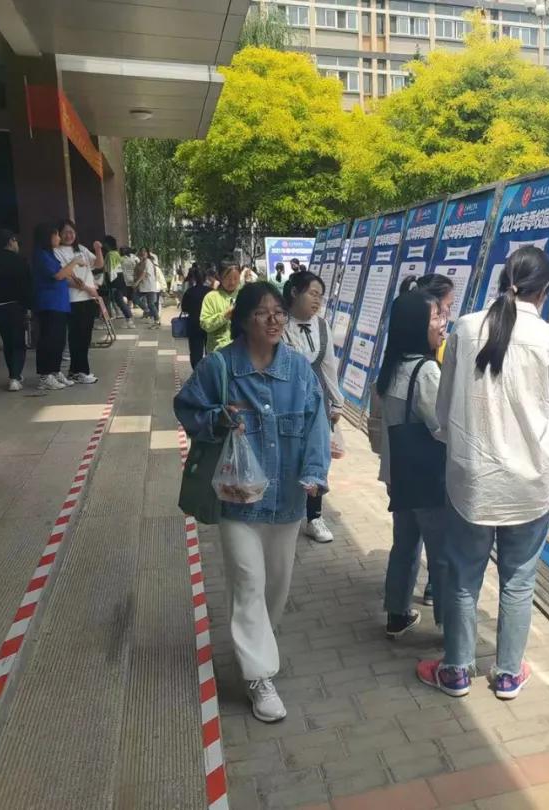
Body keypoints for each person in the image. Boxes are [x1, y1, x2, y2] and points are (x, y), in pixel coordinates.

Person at [417, 247, 549, 701]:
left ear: (504, 279)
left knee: (463, 576)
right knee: (519, 581)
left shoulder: (464, 329)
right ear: (545, 290)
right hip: (530, 481)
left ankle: (456, 671)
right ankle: (507, 675)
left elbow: (445, 404)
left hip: (473, 479)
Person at [174, 281, 330, 723]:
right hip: (237, 501)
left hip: (286, 500)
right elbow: (186, 407)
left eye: (279, 311)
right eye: (263, 313)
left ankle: (260, 640)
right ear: (243, 320)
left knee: (276, 585)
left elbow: (317, 423)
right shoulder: (220, 368)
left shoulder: (298, 370)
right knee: (247, 582)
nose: (274, 320)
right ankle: (259, 677)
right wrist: (216, 419)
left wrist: (315, 473)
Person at [375, 290, 448, 639]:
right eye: (436, 316)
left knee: (404, 546)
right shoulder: (426, 371)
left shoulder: (392, 367)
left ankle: (397, 613)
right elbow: (441, 428)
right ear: (417, 325)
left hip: (400, 475)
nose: (443, 323)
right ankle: (450, 628)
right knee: (442, 555)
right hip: (428, 479)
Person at [281, 271, 343, 545]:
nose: (317, 301)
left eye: (321, 296)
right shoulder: (279, 322)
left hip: (316, 400)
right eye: (313, 294)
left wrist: (336, 402)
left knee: (317, 456)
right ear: (295, 292)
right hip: (286, 400)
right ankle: (286, 510)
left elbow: (329, 366)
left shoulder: (322, 326)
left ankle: (314, 517)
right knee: (288, 455)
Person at [32, 223, 85, 390]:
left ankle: (55, 371)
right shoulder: (40, 255)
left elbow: (62, 275)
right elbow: (58, 275)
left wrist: (74, 280)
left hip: (60, 304)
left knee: (59, 340)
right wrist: (75, 262)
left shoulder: (50, 254)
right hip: (49, 303)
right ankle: (45, 375)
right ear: (47, 237)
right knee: (49, 339)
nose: (59, 238)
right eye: (56, 235)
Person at [0, 228, 33, 391]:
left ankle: (13, 374)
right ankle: (15, 377)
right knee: (18, 342)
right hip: (15, 306)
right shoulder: (18, 260)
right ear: (11, 241)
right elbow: (26, 285)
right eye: (16, 241)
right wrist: (29, 305)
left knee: (7, 342)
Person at [56, 219, 104, 384]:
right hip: (73, 299)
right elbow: (65, 277)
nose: (69, 235)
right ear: (59, 234)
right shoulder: (57, 252)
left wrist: (98, 249)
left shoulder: (81, 249)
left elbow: (98, 264)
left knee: (85, 337)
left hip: (88, 298)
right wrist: (88, 289)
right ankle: (81, 371)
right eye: (65, 232)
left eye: (71, 232)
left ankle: (76, 371)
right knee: (77, 337)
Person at [400, 274, 454, 363]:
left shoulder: (398, 345)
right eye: (448, 306)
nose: (449, 314)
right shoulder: (428, 363)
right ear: (432, 305)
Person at [200, 259, 242, 353]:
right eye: (228, 278)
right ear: (220, 277)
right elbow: (205, 324)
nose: (232, 282)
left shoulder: (244, 295)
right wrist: (225, 316)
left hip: (241, 351)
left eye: (236, 278)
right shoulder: (211, 297)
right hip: (218, 351)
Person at [180, 269, 213, 370]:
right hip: (209, 324)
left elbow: (184, 308)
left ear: (194, 278)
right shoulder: (211, 292)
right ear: (205, 278)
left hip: (194, 324)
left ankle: (197, 372)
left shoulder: (190, 291)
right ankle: (209, 371)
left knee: (195, 352)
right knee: (210, 350)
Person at [103, 236, 135, 328]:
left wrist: (108, 282)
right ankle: (128, 320)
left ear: (107, 244)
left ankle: (128, 320)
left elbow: (111, 270)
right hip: (120, 280)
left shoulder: (110, 254)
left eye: (104, 243)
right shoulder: (116, 254)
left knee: (117, 301)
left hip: (114, 281)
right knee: (118, 301)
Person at [133, 247, 161, 328]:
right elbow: (137, 272)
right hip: (144, 287)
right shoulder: (142, 262)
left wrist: (137, 282)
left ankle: (157, 321)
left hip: (150, 286)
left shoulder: (148, 261)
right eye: (141, 251)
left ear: (148, 253)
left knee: (151, 304)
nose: (143, 253)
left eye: (145, 251)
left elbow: (144, 273)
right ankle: (147, 310)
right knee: (135, 298)